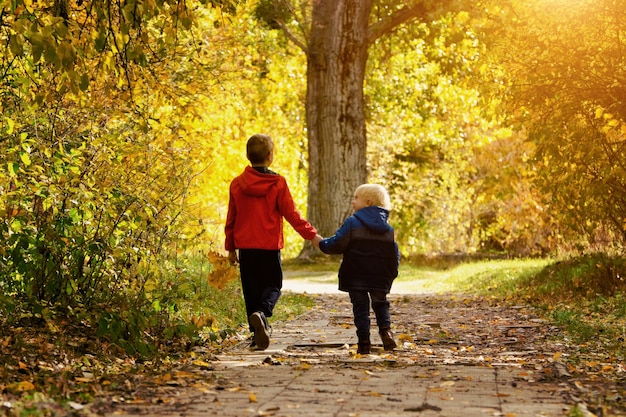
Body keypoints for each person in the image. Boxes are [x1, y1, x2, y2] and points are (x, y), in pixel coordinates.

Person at [225, 133, 322, 350]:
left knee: (251, 292)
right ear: (270, 157)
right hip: (269, 247)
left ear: (247, 155)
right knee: (273, 286)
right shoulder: (277, 183)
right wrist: (312, 235)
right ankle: (262, 313)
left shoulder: (237, 184)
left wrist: (230, 249)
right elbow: (292, 214)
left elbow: (231, 218)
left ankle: (255, 335)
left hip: (246, 249)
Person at [318, 184, 400, 354]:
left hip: (356, 274)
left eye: (356, 198)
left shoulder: (352, 223)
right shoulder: (388, 229)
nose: (352, 201)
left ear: (368, 202)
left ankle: (363, 342)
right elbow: (394, 253)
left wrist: (321, 243)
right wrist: (392, 272)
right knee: (380, 303)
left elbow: (337, 243)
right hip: (380, 275)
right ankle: (386, 331)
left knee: (360, 307)